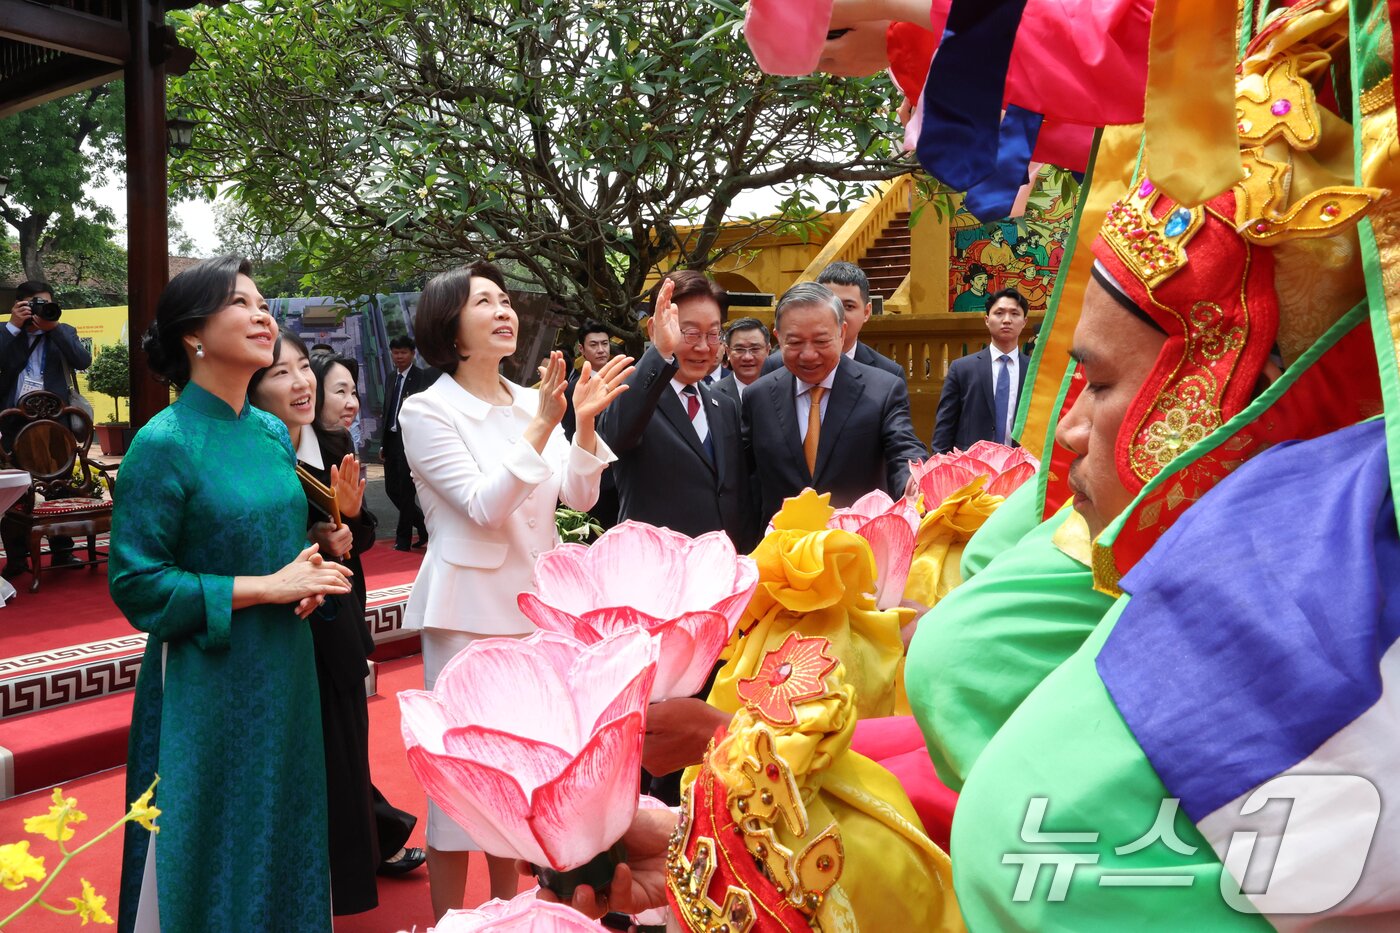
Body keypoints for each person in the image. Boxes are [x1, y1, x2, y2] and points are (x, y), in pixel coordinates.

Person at [109, 255, 353, 931]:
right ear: (192, 333)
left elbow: (278, 549)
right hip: (203, 680)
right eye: (240, 303)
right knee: (208, 840)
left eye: (264, 302)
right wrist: (269, 586)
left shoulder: (274, 433)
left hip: (285, 670)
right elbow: (136, 583)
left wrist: (310, 573)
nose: (262, 313)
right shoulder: (163, 442)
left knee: (287, 826)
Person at [397, 261, 634, 919]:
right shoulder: (427, 408)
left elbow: (581, 496)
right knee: (459, 788)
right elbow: (483, 505)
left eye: (505, 300)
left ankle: (513, 913)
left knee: (520, 780)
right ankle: (449, 919)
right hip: (467, 614)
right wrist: (542, 425)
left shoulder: (536, 398)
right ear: (451, 326)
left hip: (536, 612)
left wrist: (581, 426)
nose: (504, 310)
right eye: (484, 302)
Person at [742, 282, 927, 522]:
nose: (808, 354)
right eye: (795, 342)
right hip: (781, 548)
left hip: (856, 545)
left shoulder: (882, 389)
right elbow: (742, 476)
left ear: (841, 333)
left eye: (821, 341)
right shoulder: (758, 396)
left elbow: (903, 448)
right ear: (778, 337)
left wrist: (914, 483)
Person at [599, 271, 757, 550]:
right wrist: (661, 351)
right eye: (691, 332)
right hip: (654, 569)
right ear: (654, 329)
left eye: (712, 334)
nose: (702, 346)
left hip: (717, 569)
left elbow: (736, 496)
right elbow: (614, 437)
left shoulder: (725, 405)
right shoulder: (630, 394)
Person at [0, 280, 94, 579]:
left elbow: (82, 361)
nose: (41, 310)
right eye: (35, 304)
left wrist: (52, 327)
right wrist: (14, 327)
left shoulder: (62, 331)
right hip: (13, 421)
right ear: (20, 305)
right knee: (14, 492)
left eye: (46, 303)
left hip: (55, 423)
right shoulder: (6, 332)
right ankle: (17, 557)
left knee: (60, 485)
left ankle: (62, 551)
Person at [760, 262, 905, 379]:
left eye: (848, 306)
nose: (838, 314)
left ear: (866, 312)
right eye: (829, 306)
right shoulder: (775, 365)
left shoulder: (888, 374)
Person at [930, 287, 1030, 453]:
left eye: (1014, 313)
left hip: (1021, 467)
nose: (1006, 320)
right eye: (999, 313)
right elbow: (945, 424)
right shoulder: (962, 369)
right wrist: (937, 463)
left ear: (1024, 322)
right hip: (972, 467)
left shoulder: (1035, 371)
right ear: (986, 319)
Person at [562, 320, 619, 527]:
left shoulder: (622, 383)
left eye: (604, 343)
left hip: (624, 478)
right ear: (581, 350)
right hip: (594, 482)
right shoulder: (573, 390)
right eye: (593, 345)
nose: (601, 350)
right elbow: (569, 435)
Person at [378, 334, 432, 551]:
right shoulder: (392, 377)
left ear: (412, 354)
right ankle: (423, 525)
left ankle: (403, 540)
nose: (399, 357)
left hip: (411, 441)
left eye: (403, 352)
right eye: (396, 352)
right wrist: (383, 443)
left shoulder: (422, 378)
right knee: (392, 489)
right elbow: (386, 412)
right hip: (391, 440)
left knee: (407, 490)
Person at [712, 317, 770, 404]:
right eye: (739, 349)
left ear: (767, 350)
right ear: (728, 352)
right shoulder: (712, 394)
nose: (747, 357)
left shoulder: (783, 391)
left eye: (755, 349)